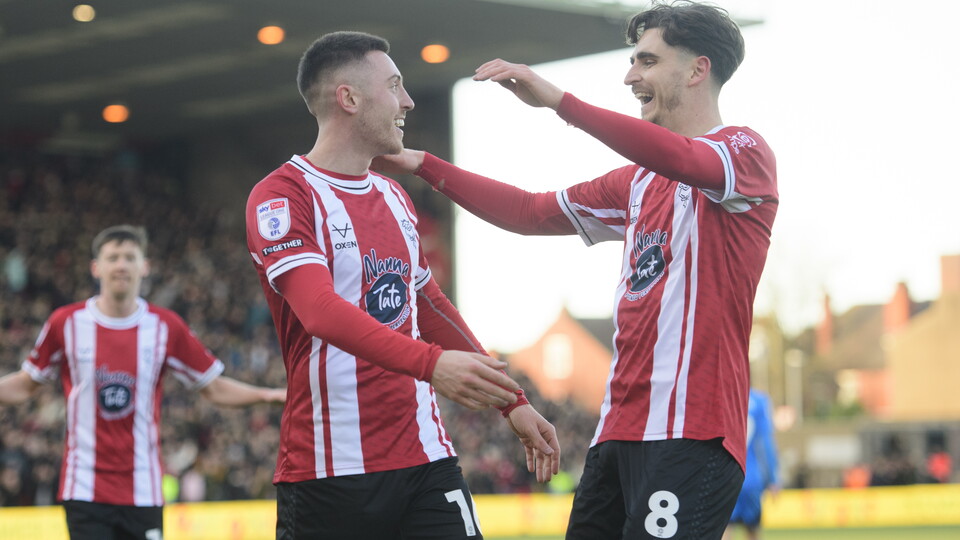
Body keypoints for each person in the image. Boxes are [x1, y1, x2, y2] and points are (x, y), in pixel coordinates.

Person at [375, 1, 778, 538]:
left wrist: (560, 102)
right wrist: (426, 165)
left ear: (698, 69)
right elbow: (529, 211)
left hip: (692, 434)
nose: (631, 75)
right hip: (616, 435)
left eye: (648, 61)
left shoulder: (743, 154)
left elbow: (684, 160)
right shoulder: (636, 182)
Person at [243, 31, 560, 539]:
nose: (408, 101)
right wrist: (432, 364)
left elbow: (427, 304)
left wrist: (511, 399)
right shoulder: (282, 195)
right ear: (348, 98)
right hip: (330, 469)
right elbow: (319, 311)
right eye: (395, 86)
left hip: (426, 458)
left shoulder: (394, 196)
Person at [0, 224, 286, 540]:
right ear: (96, 267)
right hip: (83, 488)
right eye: (113, 257)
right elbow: (26, 384)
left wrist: (271, 395)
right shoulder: (66, 323)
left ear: (144, 266)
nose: (121, 264)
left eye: (129, 257)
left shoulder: (165, 327)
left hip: (144, 488)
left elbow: (214, 387)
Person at [724, 389, 780, 540]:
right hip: (751, 477)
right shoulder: (759, 401)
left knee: (725, 528)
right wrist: (773, 479)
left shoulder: (724, 395)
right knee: (753, 530)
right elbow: (765, 444)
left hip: (726, 477)